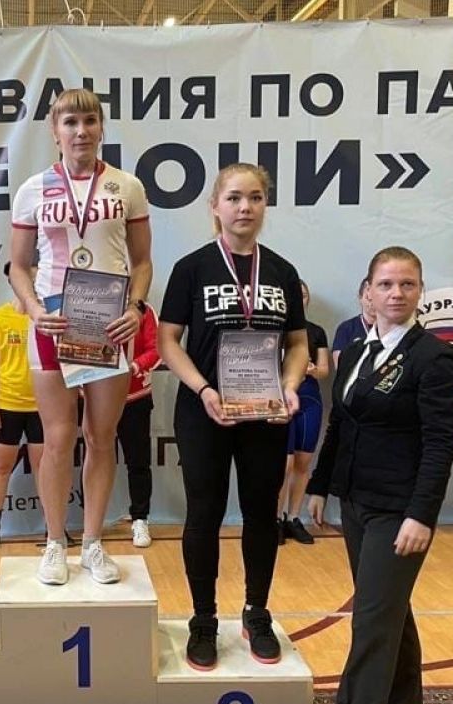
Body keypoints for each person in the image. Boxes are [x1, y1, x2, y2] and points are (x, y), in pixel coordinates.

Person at [305, 246, 453, 704]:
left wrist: (422, 514)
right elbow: (340, 426)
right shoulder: (353, 352)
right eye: (387, 284)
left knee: (372, 622)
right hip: (356, 502)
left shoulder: (435, 358)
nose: (397, 294)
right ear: (368, 291)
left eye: (408, 284)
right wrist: (320, 484)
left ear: (420, 291)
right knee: (390, 608)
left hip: (399, 511)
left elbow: (440, 445)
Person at [157, 163, 308, 671]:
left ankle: (256, 611)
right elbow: (167, 341)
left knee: (262, 513)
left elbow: (298, 343)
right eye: (235, 198)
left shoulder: (282, 271)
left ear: (265, 205)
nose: (246, 207)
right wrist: (202, 388)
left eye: (256, 198)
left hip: (264, 413)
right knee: (204, 513)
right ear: (215, 206)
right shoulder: (192, 268)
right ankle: (203, 619)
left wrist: (290, 386)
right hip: (206, 410)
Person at [9, 87, 152, 585]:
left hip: (109, 323)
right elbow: (18, 266)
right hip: (53, 323)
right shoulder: (32, 190)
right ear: (55, 131)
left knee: (101, 436)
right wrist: (33, 310)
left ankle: (92, 542)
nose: (80, 131)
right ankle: (55, 541)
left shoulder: (127, 186)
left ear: (101, 128)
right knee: (56, 438)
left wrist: (135, 308)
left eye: (89, 121)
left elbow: (142, 262)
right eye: (70, 122)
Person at [0, 261, 44, 553]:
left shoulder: (47, 318)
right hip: (7, 406)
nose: (30, 283)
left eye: (35, 277)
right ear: (12, 281)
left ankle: (54, 529)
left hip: (43, 407)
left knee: (45, 469)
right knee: (0, 468)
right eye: (25, 277)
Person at [277, 280, 330, 546]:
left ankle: (294, 517)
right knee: (283, 464)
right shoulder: (273, 329)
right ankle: (275, 518)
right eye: (294, 294)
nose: (299, 298)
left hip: (309, 398)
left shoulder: (317, 332)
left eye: (304, 294)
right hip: (281, 398)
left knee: (302, 462)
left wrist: (310, 369)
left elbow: (324, 370)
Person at [117, 302, 161, 548]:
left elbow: (157, 348)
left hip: (135, 397)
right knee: (94, 458)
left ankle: (140, 519)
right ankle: (92, 523)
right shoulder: (88, 298)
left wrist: (134, 367)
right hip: (93, 397)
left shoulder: (144, 310)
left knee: (138, 462)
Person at [331, 277, 374, 368]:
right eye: (368, 299)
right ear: (360, 298)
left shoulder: (391, 327)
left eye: (376, 299)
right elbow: (339, 365)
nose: (372, 304)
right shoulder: (346, 328)